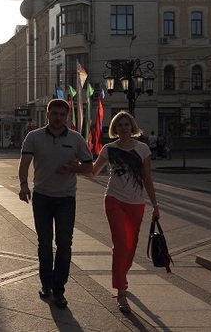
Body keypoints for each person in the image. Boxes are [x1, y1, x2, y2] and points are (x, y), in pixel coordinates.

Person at [18, 99, 93, 308]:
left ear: (66, 116)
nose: (58, 117)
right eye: (54, 113)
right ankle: (46, 284)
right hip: (41, 197)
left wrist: (72, 169)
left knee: (64, 245)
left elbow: (89, 166)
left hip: (66, 199)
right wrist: (24, 185)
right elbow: (24, 163)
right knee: (44, 244)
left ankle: (59, 289)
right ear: (47, 114)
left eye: (62, 114)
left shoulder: (76, 139)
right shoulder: (33, 137)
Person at [84, 111, 159, 313]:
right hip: (113, 200)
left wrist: (155, 205)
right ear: (114, 129)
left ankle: (121, 275)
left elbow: (147, 179)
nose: (123, 128)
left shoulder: (142, 148)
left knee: (131, 245)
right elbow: (93, 172)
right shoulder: (109, 149)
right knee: (120, 244)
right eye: (119, 126)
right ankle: (121, 291)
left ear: (132, 126)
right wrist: (73, 166)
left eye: (126, 125)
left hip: (137, 203)